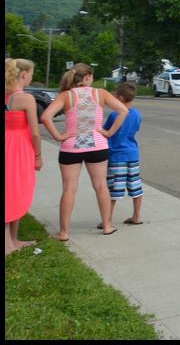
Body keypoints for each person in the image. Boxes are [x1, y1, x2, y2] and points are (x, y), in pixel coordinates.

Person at [40, 63, 130, 240]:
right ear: (87, 77)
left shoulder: (66, 95)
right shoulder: (101, 94)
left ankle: (64, 232)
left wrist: (58, 136)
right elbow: (123, 110)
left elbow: (45, 117)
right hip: (97, 146)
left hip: (71, 147)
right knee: (101, 186)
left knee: (69, 189)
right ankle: (106, 225)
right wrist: (109, 133)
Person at [5, 58, 45, 255]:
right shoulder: (26, 98)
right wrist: (38, 155)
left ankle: (14, 239)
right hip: (20, 148)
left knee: (12, 189)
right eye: (30, 74)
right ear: (23, 74)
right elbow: (36, 133)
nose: (31, 78)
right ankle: (7, 244)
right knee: (16, 190)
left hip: (7, 144)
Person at [102, 82, 144, 226]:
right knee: (135, 186)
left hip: (116, 156)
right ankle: (136, 216)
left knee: (113, 189)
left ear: (120, 98)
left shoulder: (115, 115)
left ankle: (107, 220)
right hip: (132, 155)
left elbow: (105, 132)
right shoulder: (137, 114)